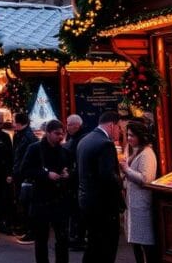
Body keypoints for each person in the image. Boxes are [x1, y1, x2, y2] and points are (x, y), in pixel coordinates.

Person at [21, 119, 71, 263]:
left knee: (62, 238)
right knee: (41, 239)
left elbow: (71, 168)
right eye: (57, 134)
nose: (60, 137)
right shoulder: (35, 149)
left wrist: (68, 173)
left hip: (60, 200)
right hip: (41, 200)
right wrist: (46, 175)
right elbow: (24, 170)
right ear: (48, 133)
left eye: (62, 134)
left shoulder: (64, 150)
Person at [76, 110, 123, 263]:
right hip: (104, 206)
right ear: (111, 125)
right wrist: (121, 182)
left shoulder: (85, 140)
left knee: (93, 245)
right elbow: (108, 177)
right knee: (106, 248)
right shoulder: (105, 144)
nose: (120, 131)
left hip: (87, 202)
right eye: (119, 127)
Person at [118, 120, 157, 263]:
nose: (129, 139)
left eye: (132, 136)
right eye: (127, 135)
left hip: (141, 204)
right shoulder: (134, 151)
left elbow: (146, 179)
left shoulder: (147, 154)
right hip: (132, 202)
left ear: (141, 136)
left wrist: (126, 170)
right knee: (135, 242)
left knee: (144, 241)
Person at [11, 111, 37, 244]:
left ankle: (30, 231)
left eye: (14, 121)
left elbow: (26, 159)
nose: (12, 123)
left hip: (25, 176)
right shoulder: (19, 135)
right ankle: (25, 227)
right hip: (19, 175)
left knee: (27, 203)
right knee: (22, 202)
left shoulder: (28, 138)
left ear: (20, 123)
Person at [62, 114, 87, 250]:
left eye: (69, 124)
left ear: (76, 125)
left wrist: (70, 173)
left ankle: (78, 238)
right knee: (74, 211)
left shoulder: (80, 139)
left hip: (76, 180)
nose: (67, 127)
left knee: (77, 211)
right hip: (73, 180)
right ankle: (75, 236)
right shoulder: (74, 137)